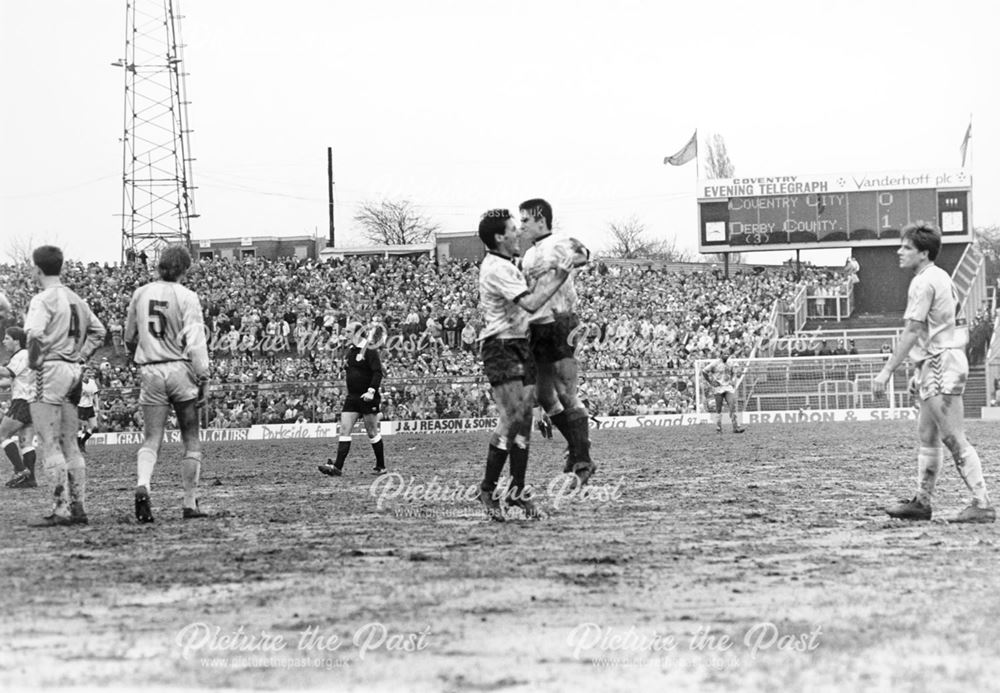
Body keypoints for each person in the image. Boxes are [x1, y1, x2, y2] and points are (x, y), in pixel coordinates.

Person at [873, 222, 994, 523]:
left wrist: (887, 371)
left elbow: (913, 329)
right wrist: (919, 370)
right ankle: (922, 502)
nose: (899, 252)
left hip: (942, 362)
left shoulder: (924, 281)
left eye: (906, 247)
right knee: (927, 435)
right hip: (937, 361)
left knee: (953, 436)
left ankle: (982, 503)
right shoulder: (939, 277)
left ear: (924, 253)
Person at [474, 208, 574, 522]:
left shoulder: (507, 264)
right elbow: (530, 303)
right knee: (512, 417)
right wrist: (560, 274)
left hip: (519, 343)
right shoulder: (496, 268)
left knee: (523, 420)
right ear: (500, 237)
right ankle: (487, 489)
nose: (519, 233)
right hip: (500, 345)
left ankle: (517, 491)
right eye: (513, 229)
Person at [124, 245, 210, 523]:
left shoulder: (141, 293)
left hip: (151, 371)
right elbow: (196, 341)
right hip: (180, 369)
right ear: (185, 269)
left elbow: (128, 335)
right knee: (191, 438)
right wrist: (204, 375)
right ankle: (188, 502)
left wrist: (139, 351)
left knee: (151, 437)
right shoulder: (187, 296)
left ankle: (144, 484)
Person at [24, 245, 106, 526]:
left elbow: (34, 334)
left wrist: (35, 363)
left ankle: (60, 508)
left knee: (49, 441)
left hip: (50, 369)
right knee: (70, 441)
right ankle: (79, 507)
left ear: (37, 268)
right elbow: (100, 331)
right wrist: (81, 356)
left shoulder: (42, 300)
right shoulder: (77, 300)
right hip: (74, 370)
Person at [518, 198, 596, 485]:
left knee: (564, 391)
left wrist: (559, 264)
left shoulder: (562, 241)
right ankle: (577, 450)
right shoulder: (527, 256)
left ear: (541, 219)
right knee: (544, 395)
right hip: (538, 327)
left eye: (525, 219)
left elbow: (585, 254)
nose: (522, 225)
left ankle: (582, 458)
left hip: (561, 321)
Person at [317, 324, 388, 477]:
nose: (345, 333)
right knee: (344, 430)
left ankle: (381, 466)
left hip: (367, 397)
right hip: (353, 397)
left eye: (348, 331)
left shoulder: (369, 349)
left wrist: (371, 391)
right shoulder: (351, 351)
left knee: (372, 432)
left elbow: (377, 372)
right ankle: (337, 467)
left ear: (357, 333)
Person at [0, 327, 38, 488]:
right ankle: (30, 479)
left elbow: (6, 373)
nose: (3, 341)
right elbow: (10, 381)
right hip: (32, 402)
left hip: (22, 401)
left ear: (16, 341)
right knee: (26, 442)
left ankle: (21, 470)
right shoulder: (24, 356)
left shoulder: (21, 355)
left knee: (2, 434)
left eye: (7, 338)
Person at [701, 348, 746, 434]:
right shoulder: (715, 363)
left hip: (728, 387)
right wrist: (710, 382)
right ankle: (718, 428)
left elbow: (734, 373)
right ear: (721, 355)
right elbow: (704, 371)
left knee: (732, 405)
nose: (726, 355)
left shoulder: (730, 363)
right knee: (718, 408)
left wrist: (733, 380)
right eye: (724, 354)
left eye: (727, 354)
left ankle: (735, 427)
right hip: (718, 388)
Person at [76, 368, 100, 452]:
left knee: (95, 428)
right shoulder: (78, 383)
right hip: (81, 406)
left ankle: (83, 441)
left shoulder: (92, 382)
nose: (89, 374)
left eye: (90, 372)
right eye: (87, 372)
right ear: (83, 373)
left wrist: (97, 406)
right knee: (80, 428)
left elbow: (95, 394)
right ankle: (79, 445)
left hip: (90, 407)